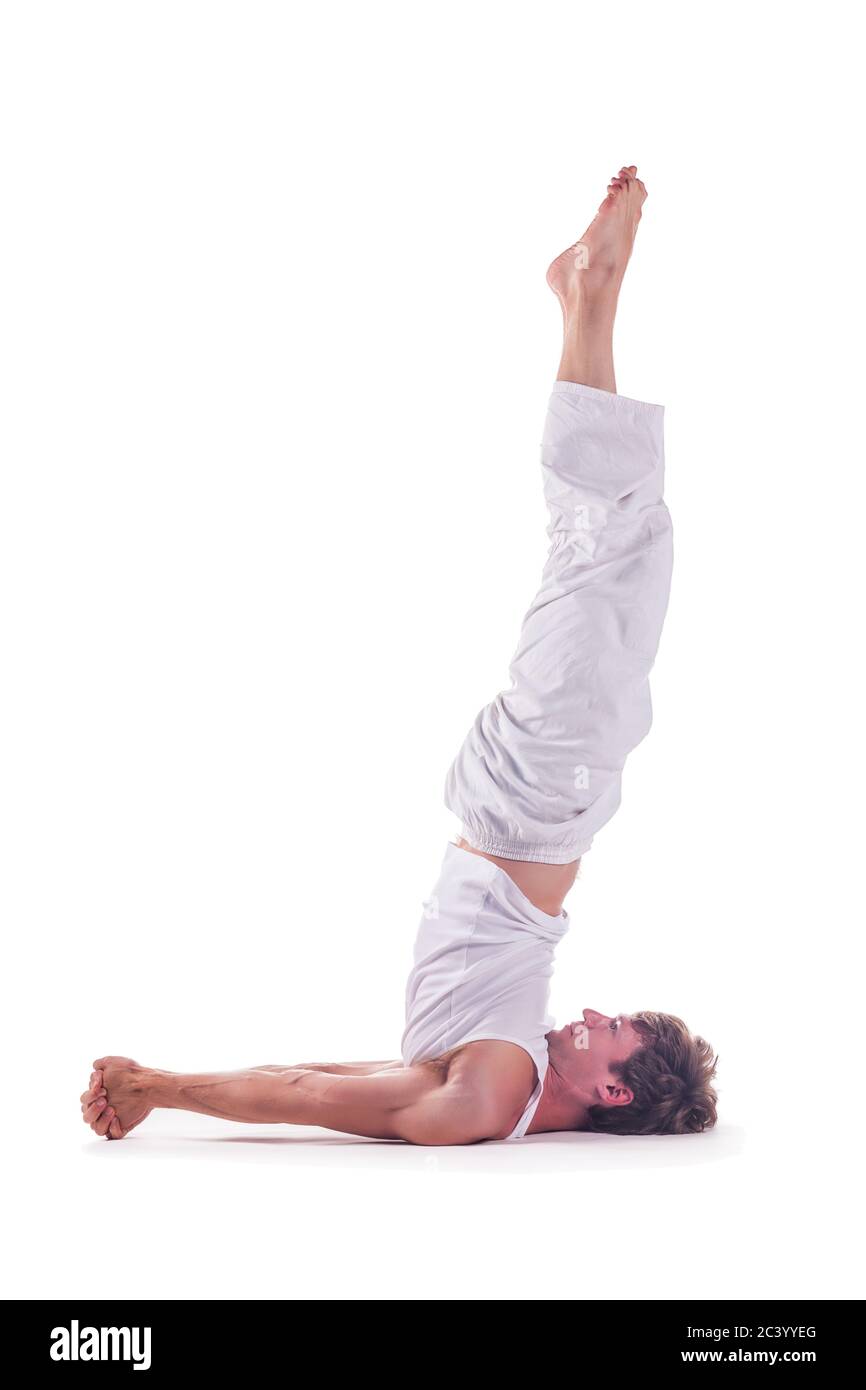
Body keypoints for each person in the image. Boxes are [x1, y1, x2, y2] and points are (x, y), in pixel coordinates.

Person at [80, 166, 718, 1147]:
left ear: (616, 1091)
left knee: (612, 549)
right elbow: (336, 1078)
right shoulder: (495, 1072)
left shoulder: (486, 1091)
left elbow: (311, 1087)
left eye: (613, 1034)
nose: (594, 1017)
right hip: (536, 801)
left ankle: (589, 293)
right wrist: (165, 1086)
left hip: (544, 792)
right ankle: (583, 297)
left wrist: (165, 1085)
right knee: (608, 550)